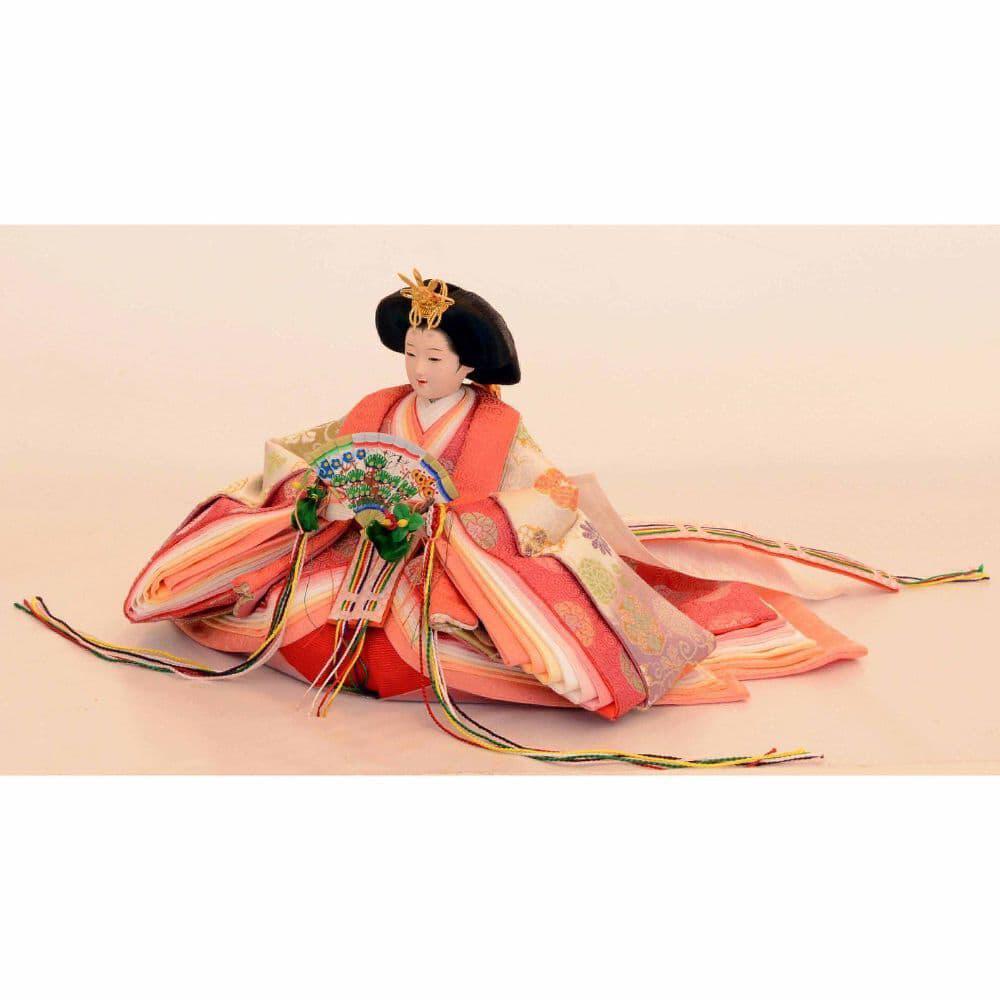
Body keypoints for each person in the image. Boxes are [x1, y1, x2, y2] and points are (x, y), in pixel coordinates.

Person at [19, 269, 987, 769]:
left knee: (471, 635)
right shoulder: (373, 409)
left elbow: (549, 495)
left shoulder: (498, 428)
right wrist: (318, 494)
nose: (416, 370)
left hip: (452, 558)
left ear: (471, 364)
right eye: (410, 353)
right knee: (273, 600)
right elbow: (300, 455)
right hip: (359, 544)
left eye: (433, 358)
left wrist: (451, 524)